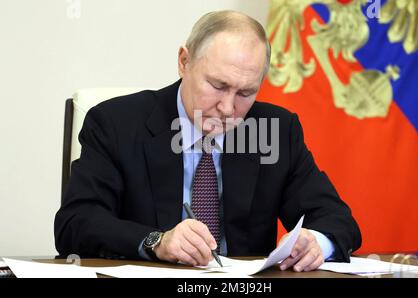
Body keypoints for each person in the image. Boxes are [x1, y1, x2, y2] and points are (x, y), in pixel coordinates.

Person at [55, 10, 361, 272]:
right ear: (184, 61)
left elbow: (337, 220)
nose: (228, 108)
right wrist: (157, 242)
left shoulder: (276, 129)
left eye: (245, 93)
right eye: (218, 85)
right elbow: (76, 223)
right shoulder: (116, 123)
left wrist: (316, 241)